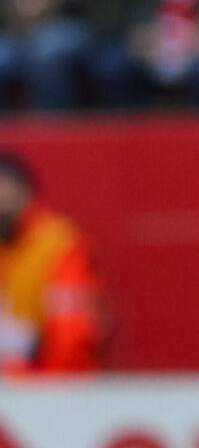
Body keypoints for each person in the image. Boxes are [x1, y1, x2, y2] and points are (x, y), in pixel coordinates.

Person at [0, 154, 106, 374]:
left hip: (50, 386)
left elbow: (71, 337)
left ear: (27, 195)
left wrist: (30, 377)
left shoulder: (58, 244)